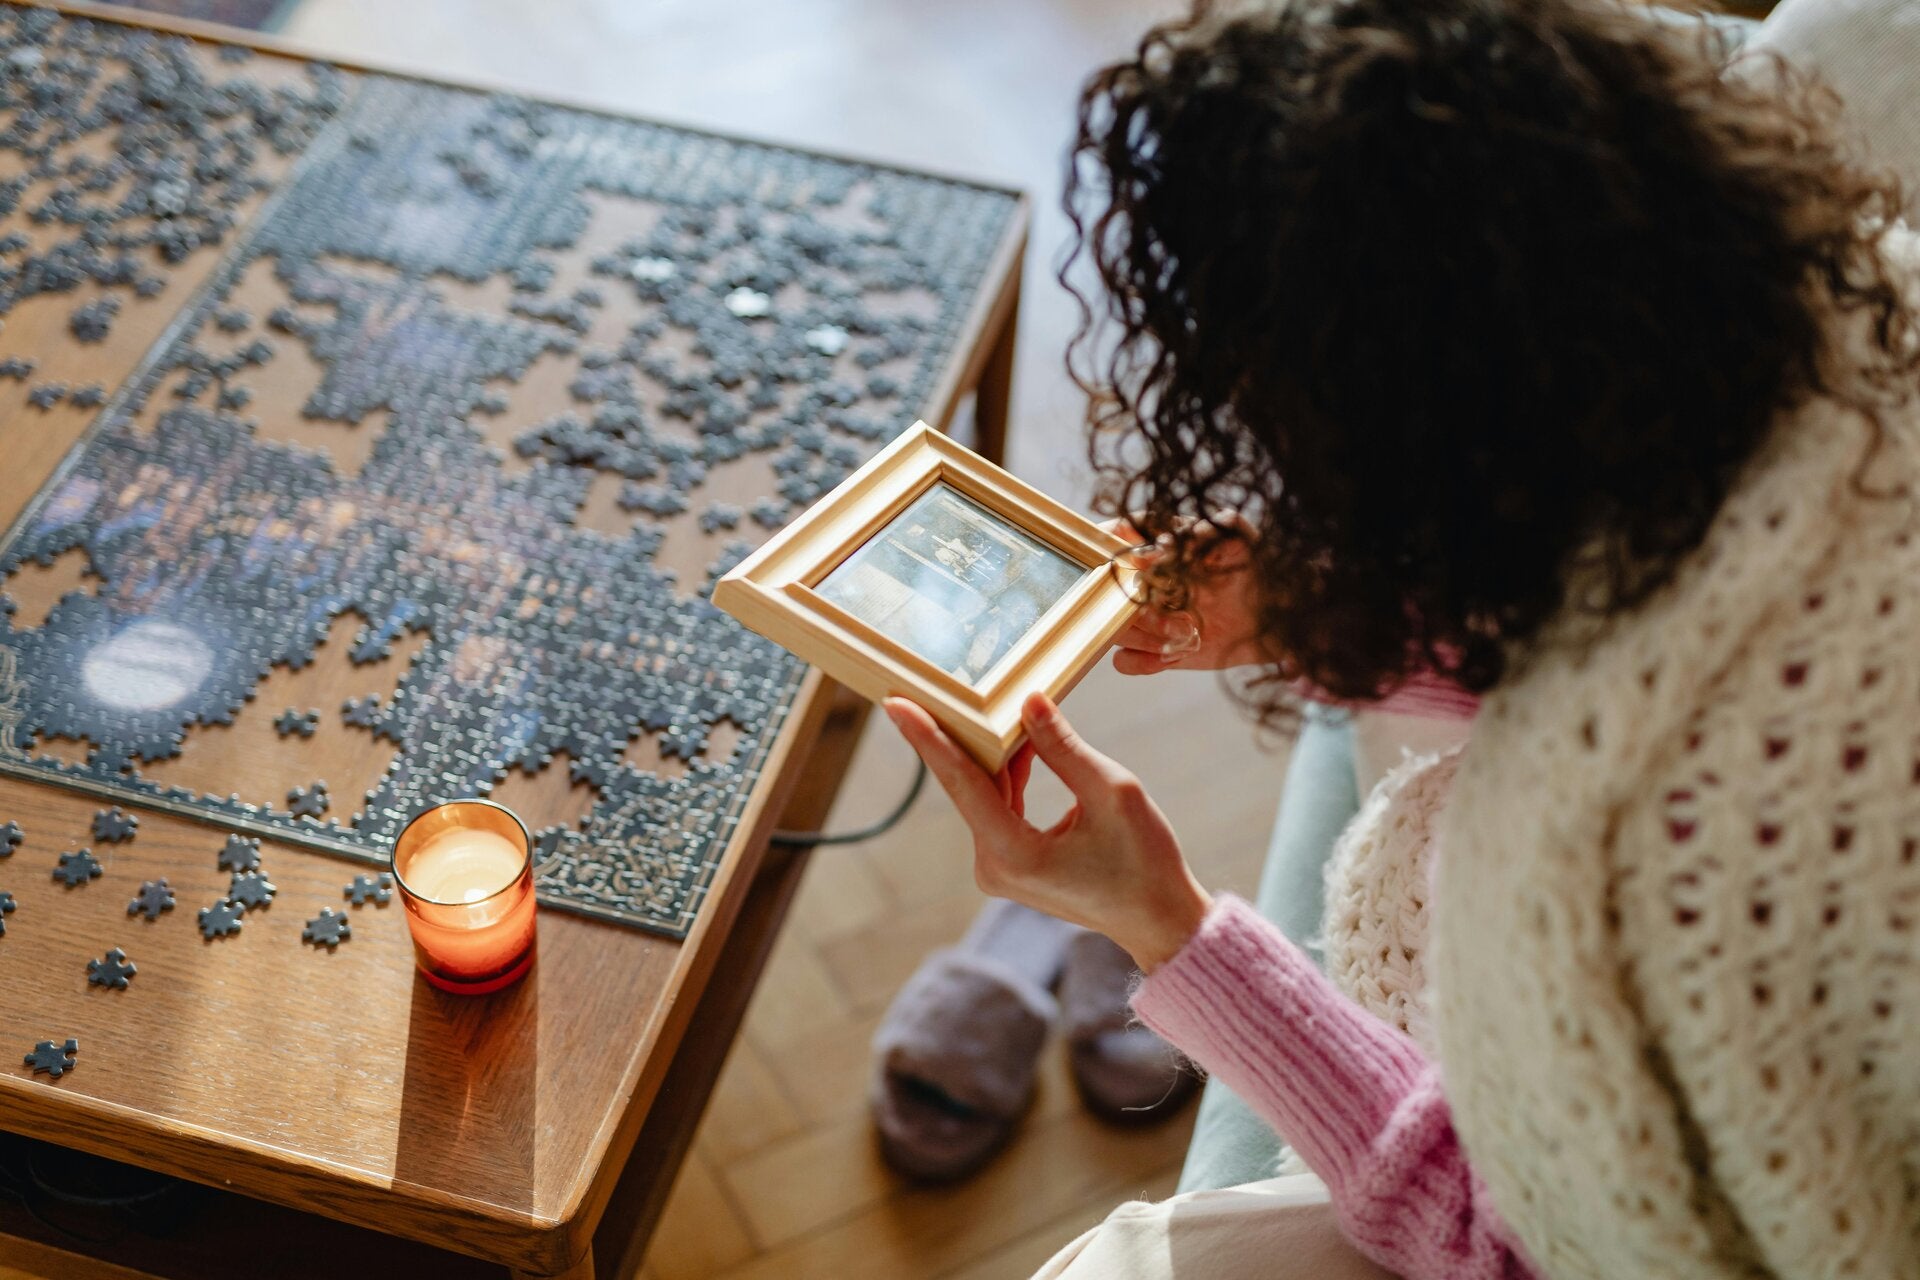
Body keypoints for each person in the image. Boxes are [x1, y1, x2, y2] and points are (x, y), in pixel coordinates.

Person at [884, 0, 1920, 1276]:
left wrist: (1165, 921)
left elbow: (1506, 1238)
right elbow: (1654, 628)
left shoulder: (1640, 869)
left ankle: (1060, 940)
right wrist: (1329, 606)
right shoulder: (1863, 320)